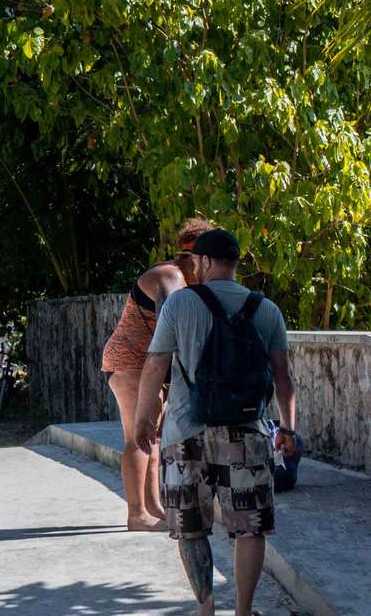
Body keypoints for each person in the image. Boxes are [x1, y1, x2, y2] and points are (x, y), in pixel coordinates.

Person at [135, 228, 297, 616]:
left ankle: (206, 609)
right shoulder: (267, 309)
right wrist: (287, 429)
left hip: (185, 433)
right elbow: (283, 377)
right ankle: (243, 611)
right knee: (250, 527)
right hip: (247, 432)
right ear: (235, 264)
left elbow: (157, 363)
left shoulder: (179, 304)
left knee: (191, 527)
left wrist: (145, 417)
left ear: (204, 262)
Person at [100, 216, 210, 530]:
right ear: (197, 259)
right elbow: (174, 327)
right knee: (137, 437)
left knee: (154, 439)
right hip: (129, 362)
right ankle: (137, 514)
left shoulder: (187, 282)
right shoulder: (171, 277)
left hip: (150, 366)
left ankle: (154, 506)